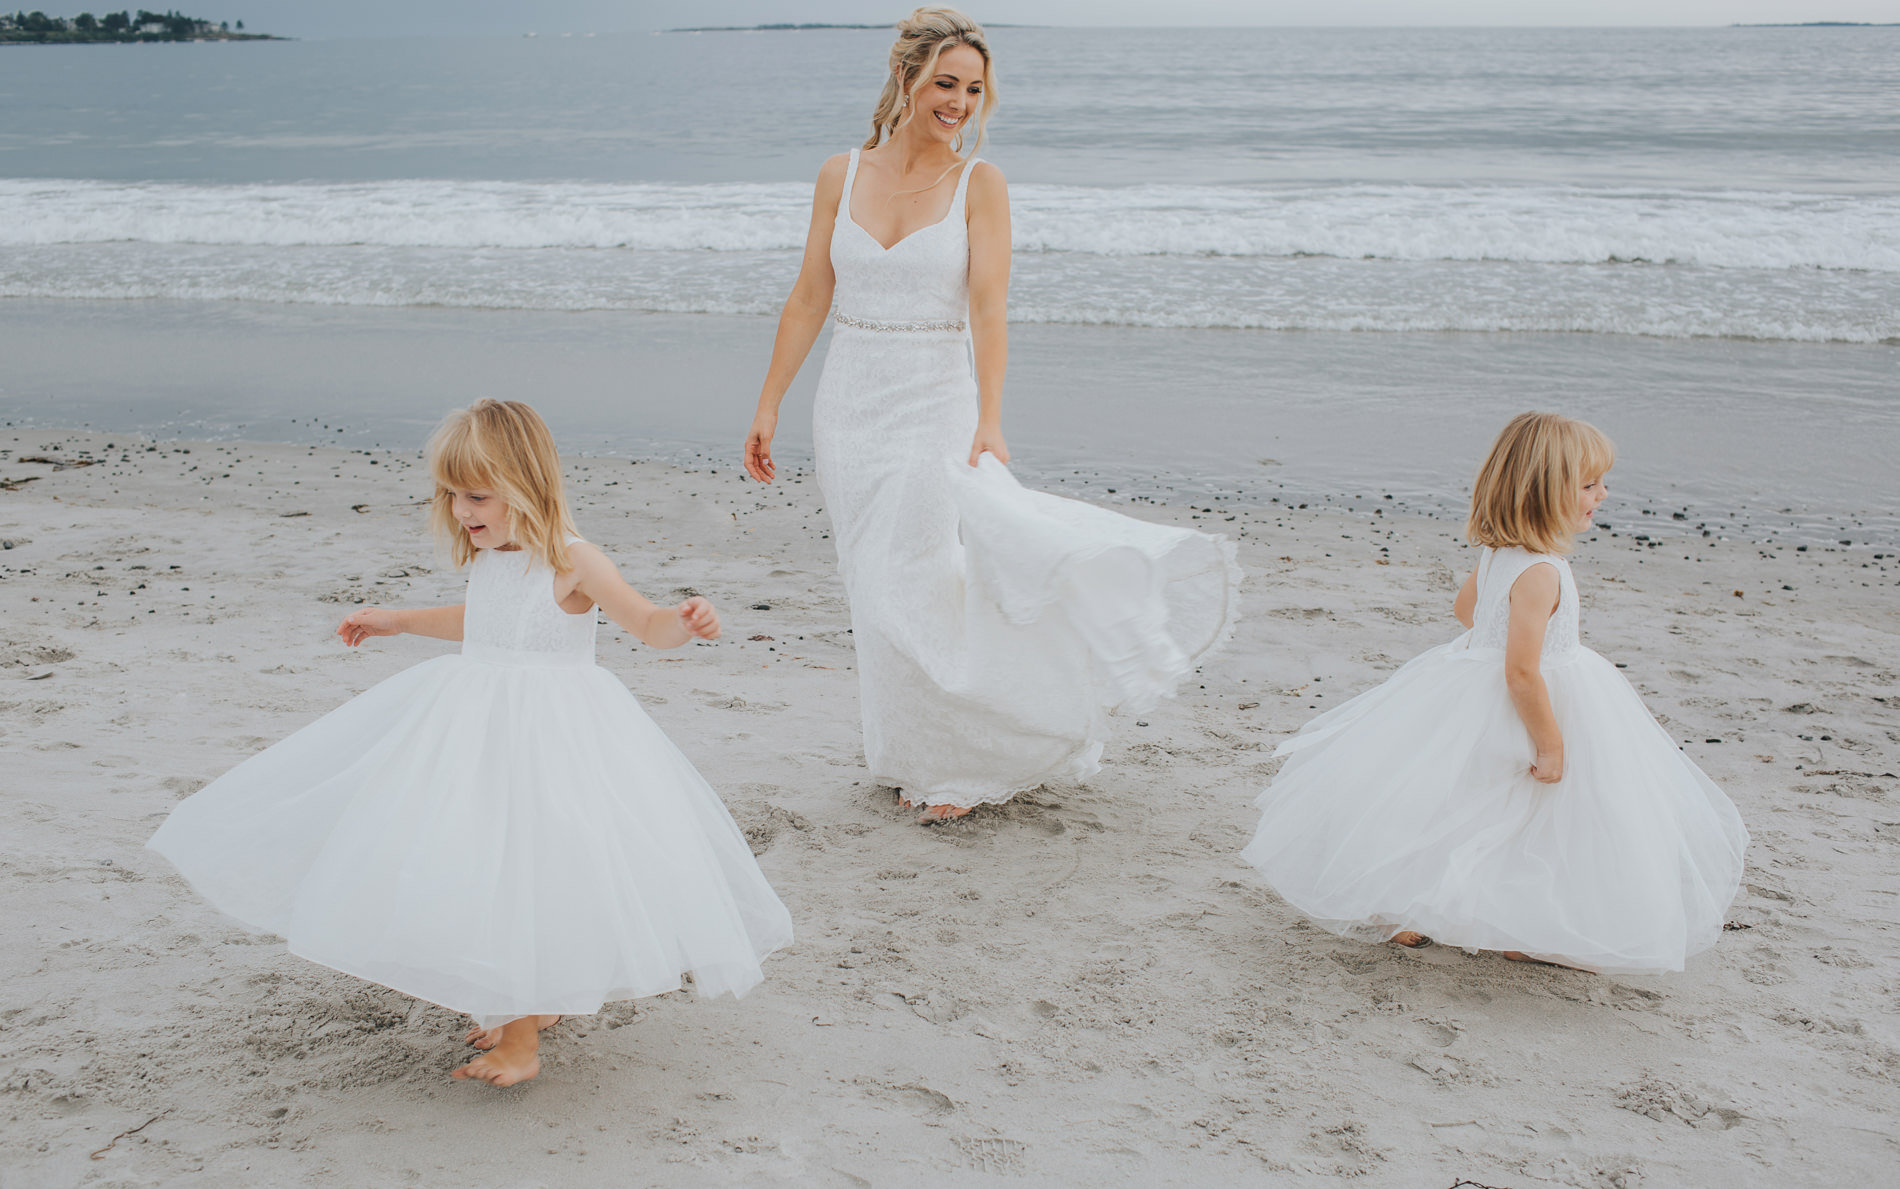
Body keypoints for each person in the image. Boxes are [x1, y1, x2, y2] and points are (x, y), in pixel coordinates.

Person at [148, 399, 793, 1086]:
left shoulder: (574, 560)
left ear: (526, 483)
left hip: (551, 743)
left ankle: (519, 1042)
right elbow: (482, 620)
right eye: (451, 493)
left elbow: (645, 622)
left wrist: (686, 622)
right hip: (475, 734)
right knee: (491, 866)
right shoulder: (493, 555)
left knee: (522, 871)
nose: (461, 508)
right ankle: (534, 1002)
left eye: (477, 494)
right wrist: (397, 619)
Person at [743, 7, 1239, 820]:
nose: (961, 103)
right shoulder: (840, 173)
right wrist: (768, 405)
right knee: (869, 581)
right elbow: (807, 297)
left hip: (936, 395)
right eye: (947, 83)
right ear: (906, 78)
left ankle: (963, 762)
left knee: (920, 573)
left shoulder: (982, 183)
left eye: (974, 89)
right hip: (848, 401)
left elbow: (990, 310)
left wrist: (992, 419)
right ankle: (909, 749)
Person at [1240, 412, 1747, 973]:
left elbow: (1468, 611)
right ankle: (1521, 926)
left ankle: (1412, 906)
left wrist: (1487, 646)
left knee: (1456, 801)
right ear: (1547, 492)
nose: (1603, 494)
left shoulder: (1501, 553)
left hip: (1468, 685)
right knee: (1539, 812)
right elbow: (1524, 672)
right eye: (1589, 484)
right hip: (1531, 696)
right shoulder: (1543, 571)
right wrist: (1550, 741)